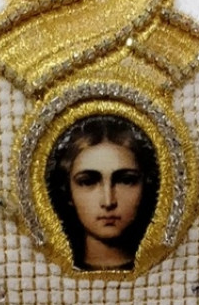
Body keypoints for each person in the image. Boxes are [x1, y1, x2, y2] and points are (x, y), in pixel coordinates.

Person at [46, 114, 159, 270]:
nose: (108, 202)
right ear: (67, 190)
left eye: (126, 180)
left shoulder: (161, 269)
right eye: (88, 182)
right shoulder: (51, 271)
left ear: (145, 185)